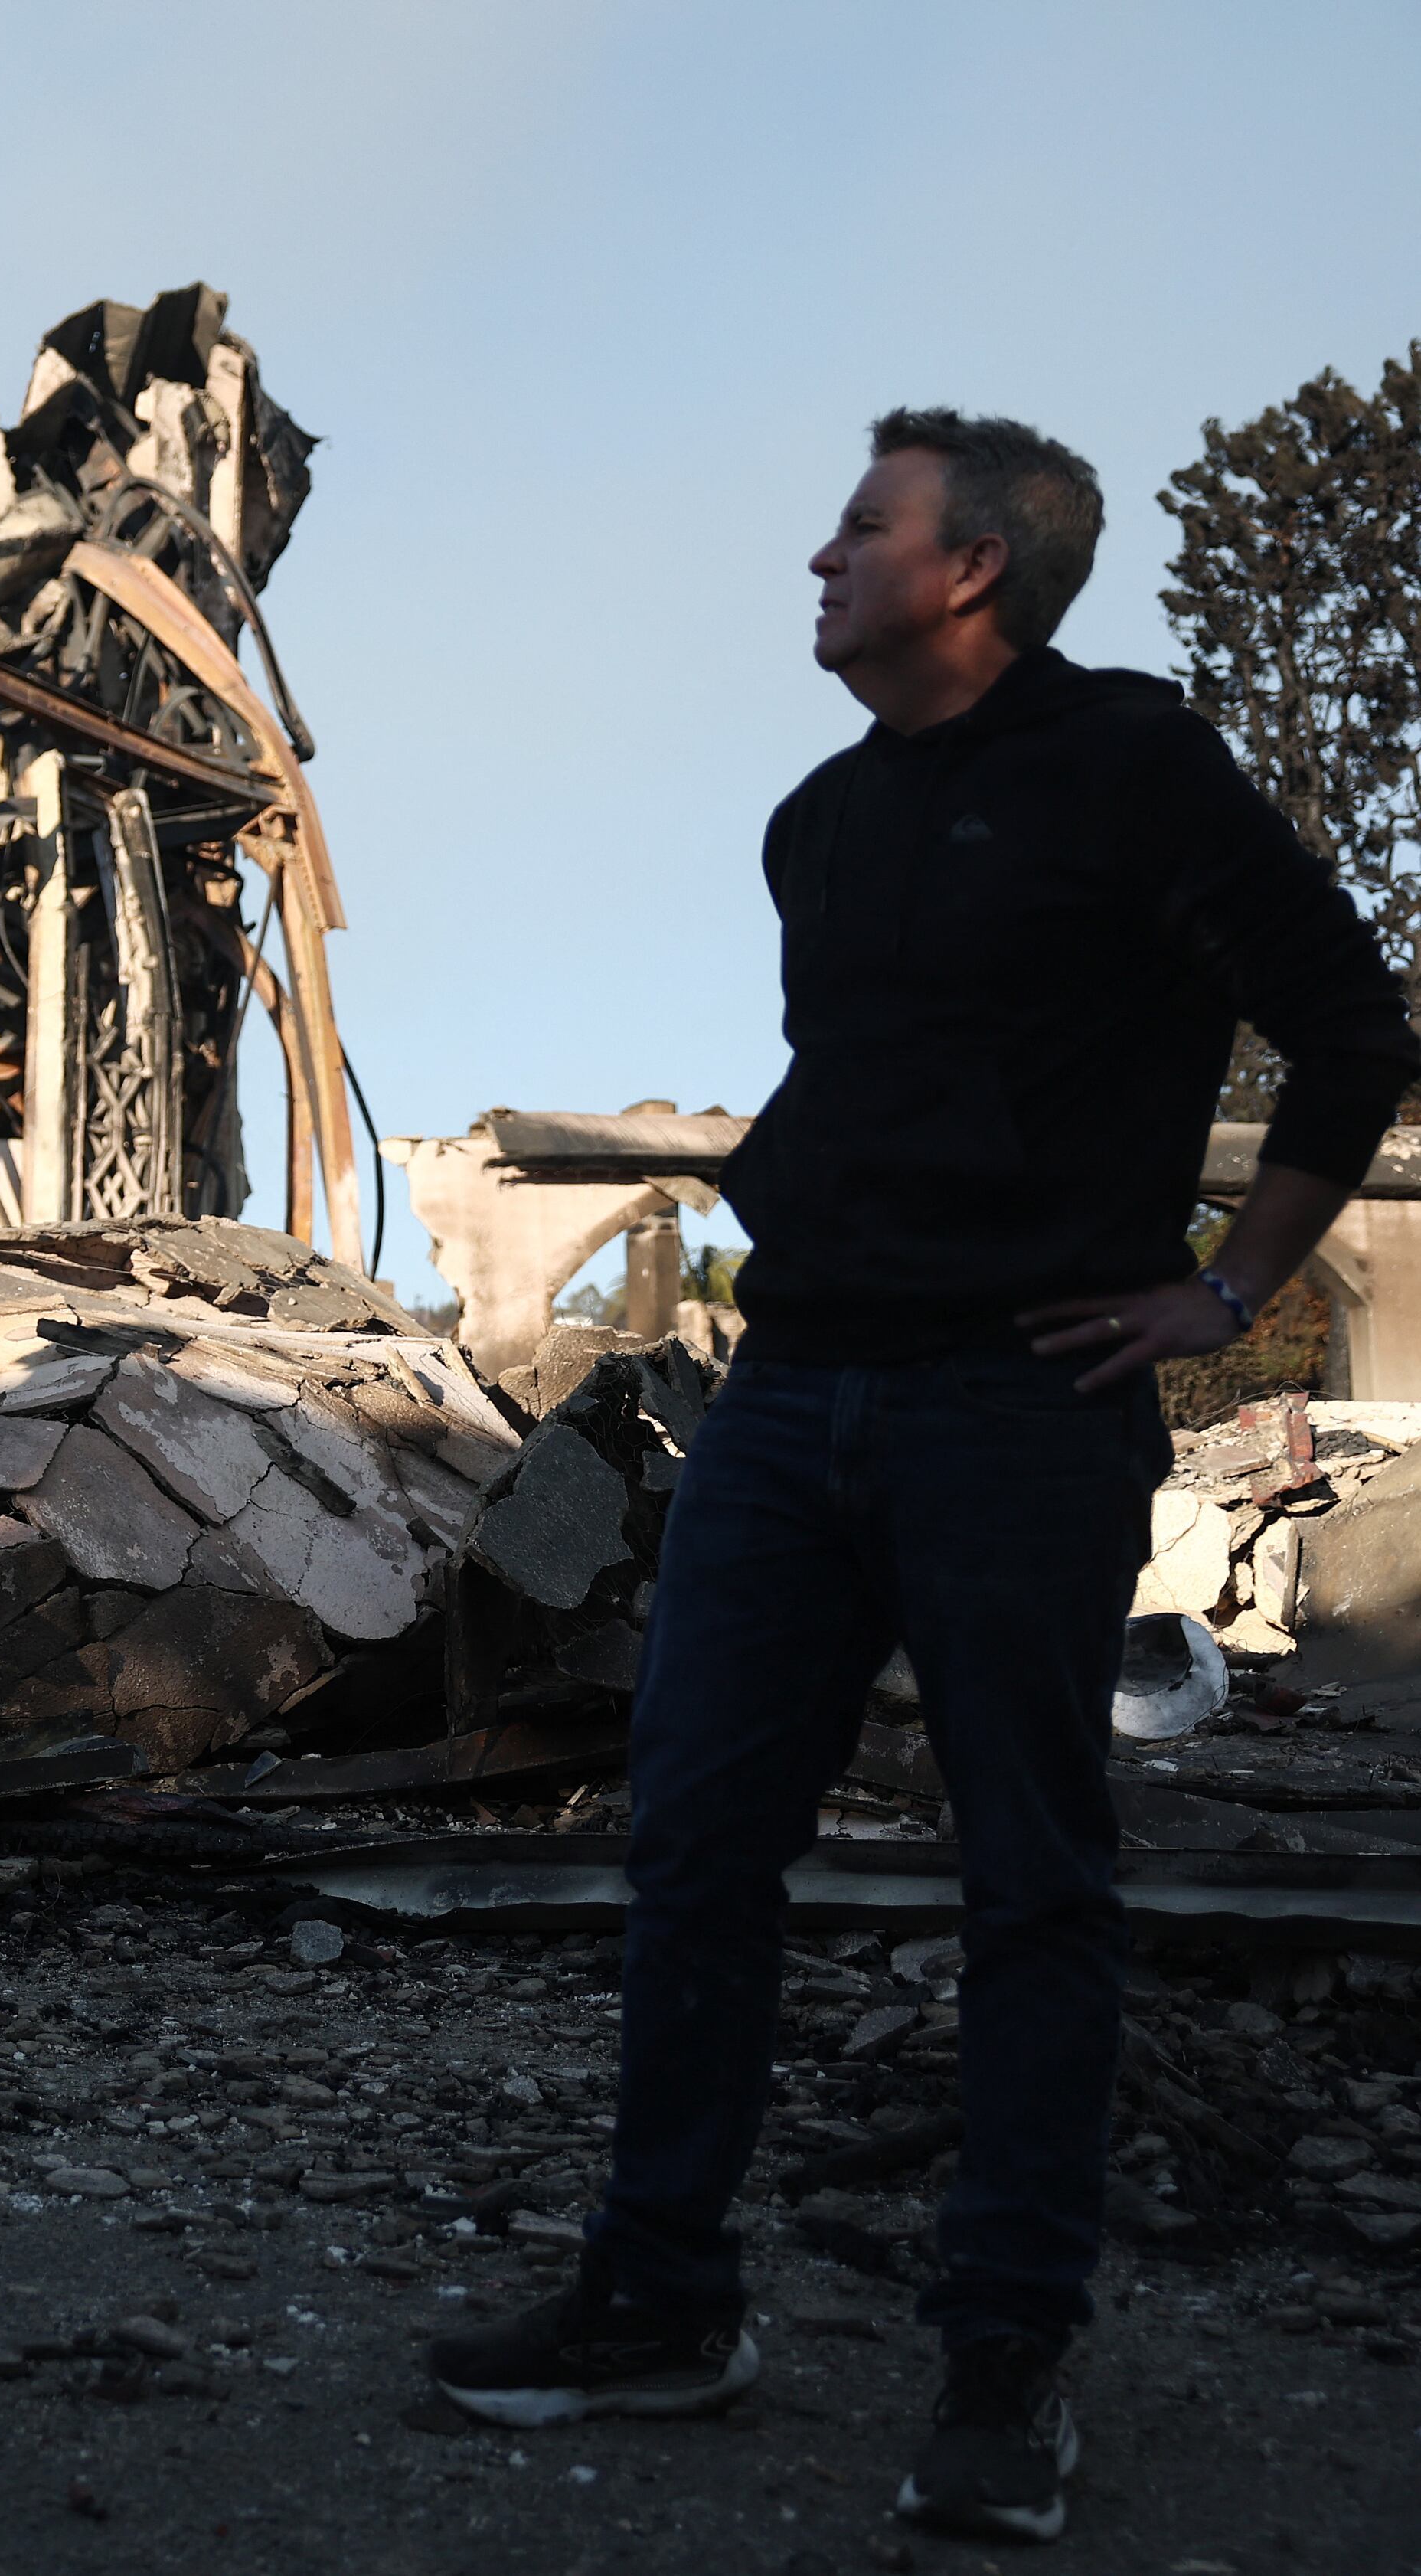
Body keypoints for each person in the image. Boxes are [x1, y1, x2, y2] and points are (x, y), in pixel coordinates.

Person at [425, 410, 1421, 2543]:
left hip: (1015, 1407)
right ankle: (661, 2291)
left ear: (970, 566)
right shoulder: (820, 825)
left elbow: (1352, 1022)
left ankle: (1004, 2357)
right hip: (796, 1399)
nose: (820, 553)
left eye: (859, 526)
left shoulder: (1132, 765)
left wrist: (1224, 1281)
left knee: (1031, 1877)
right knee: (695, 1845)